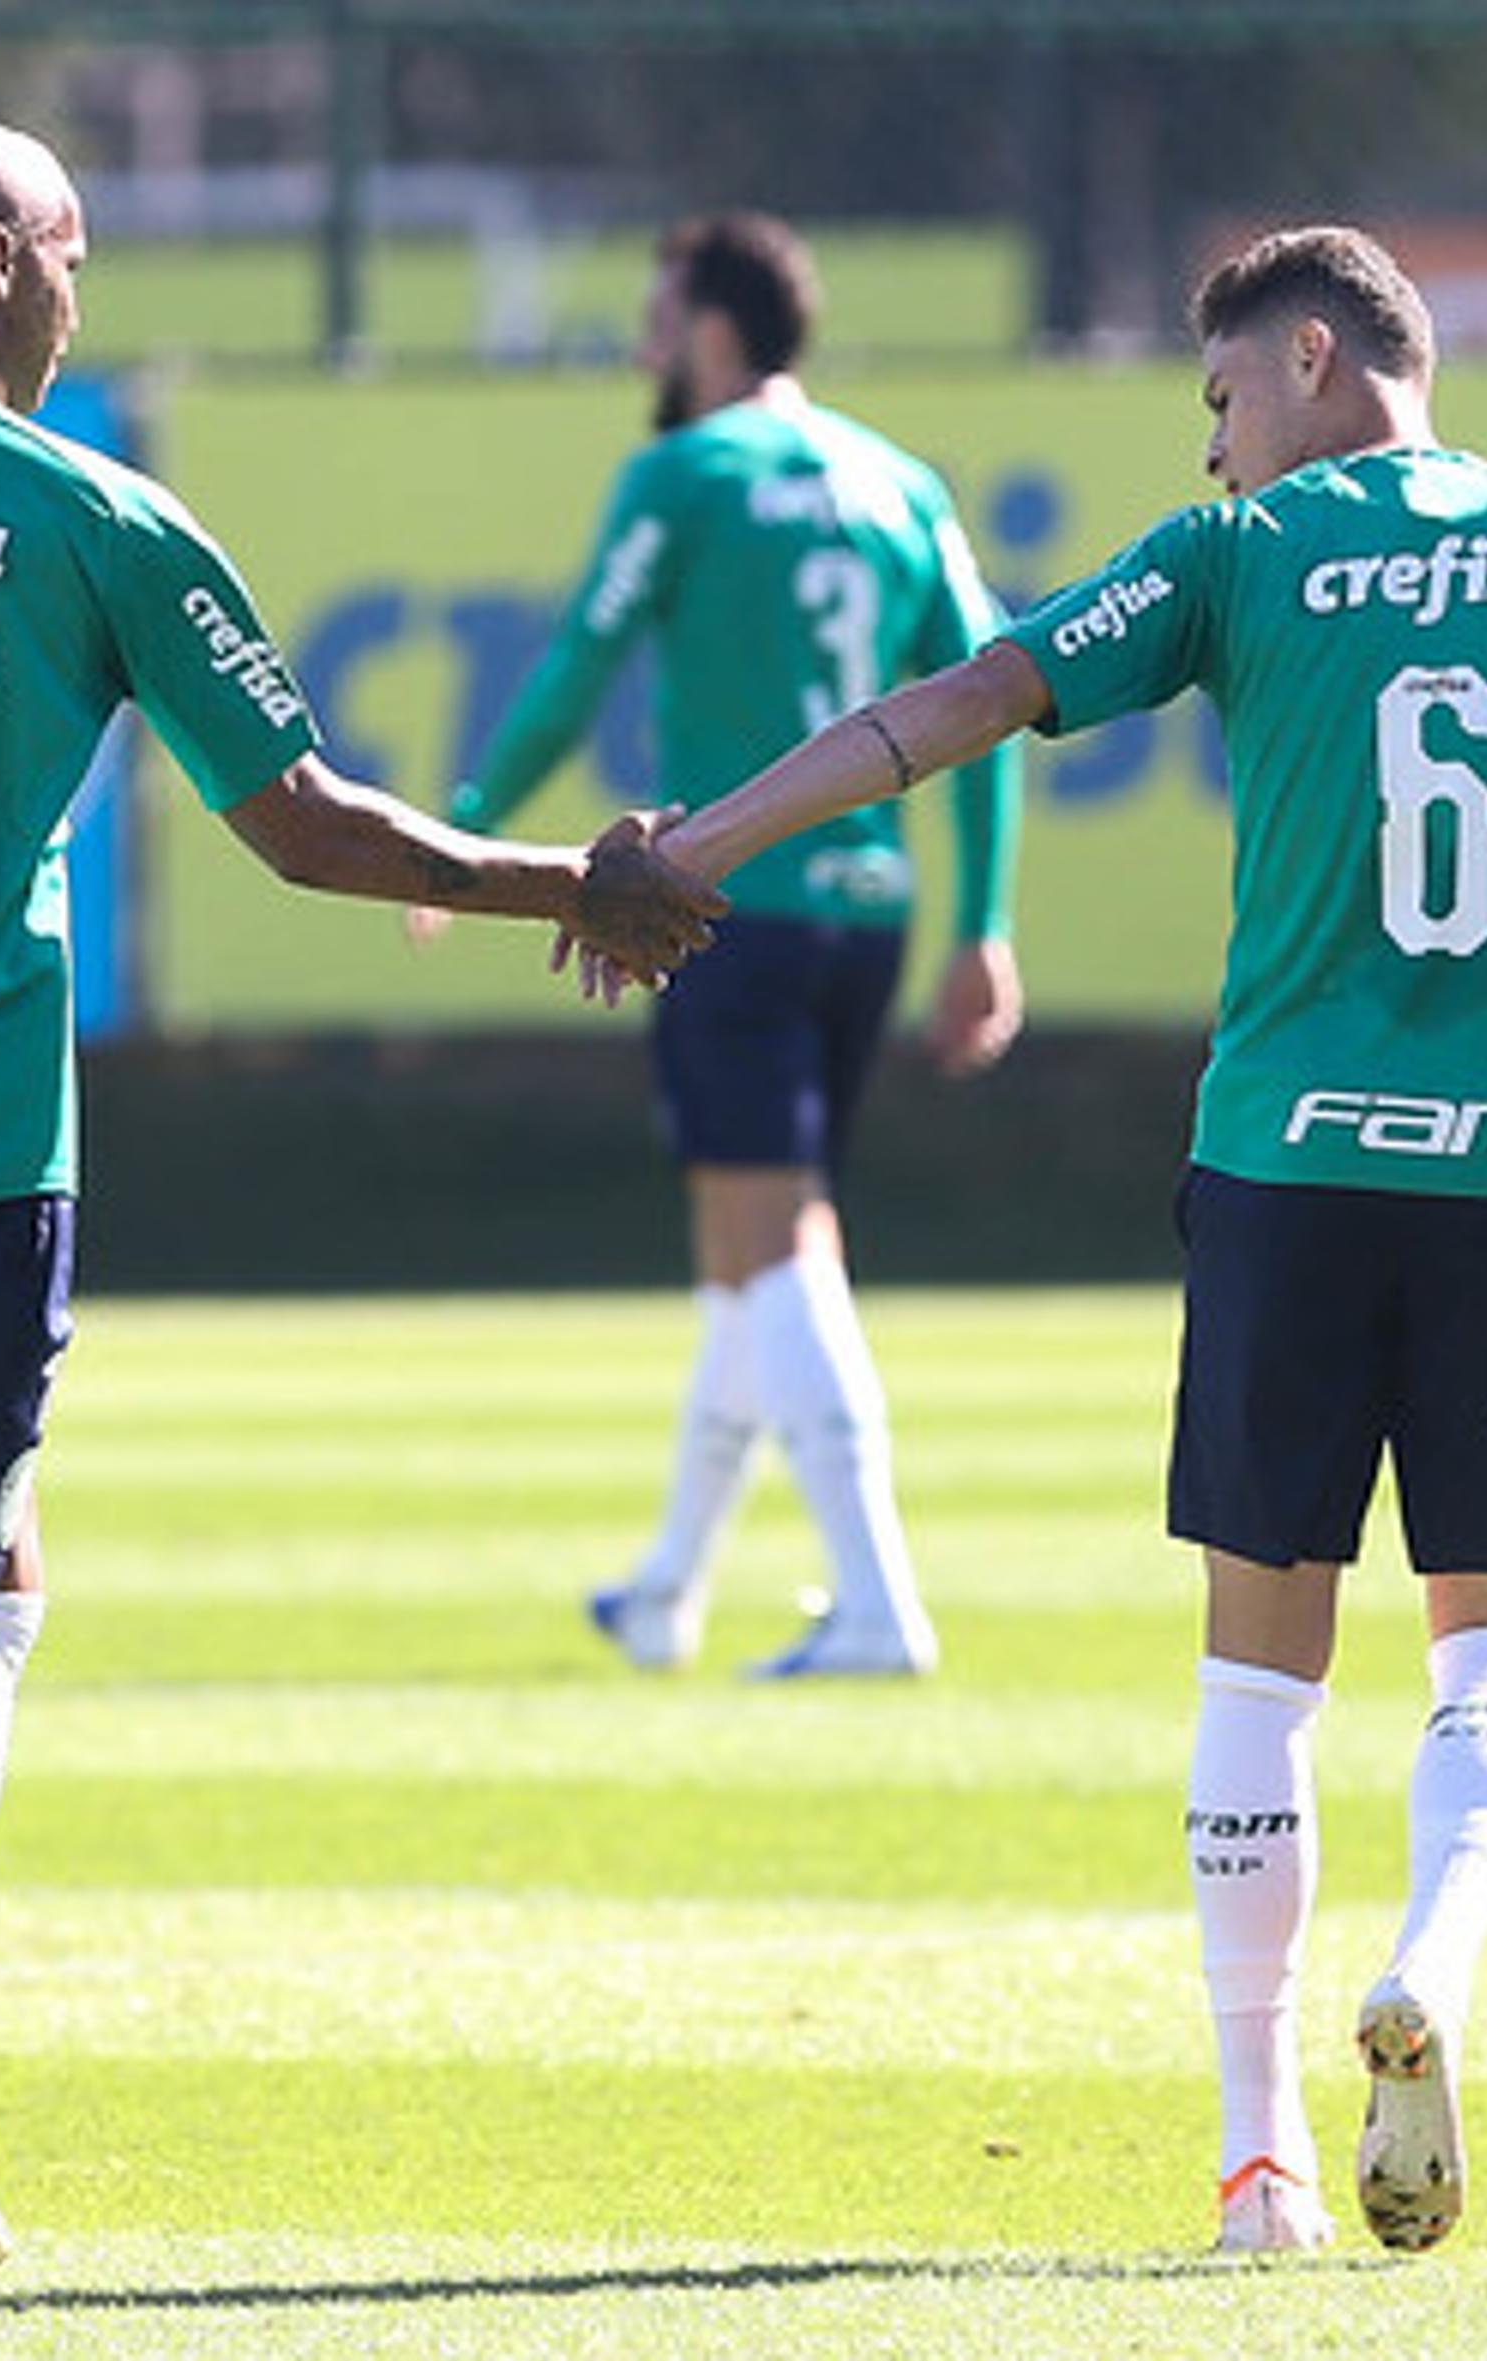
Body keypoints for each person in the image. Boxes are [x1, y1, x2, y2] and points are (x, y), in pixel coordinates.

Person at [0, 109, 719, 2289]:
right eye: (71, 251)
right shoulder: (94, 516)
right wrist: (580, 880)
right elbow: (301, 821)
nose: (84, 291)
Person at [598, 225, 1487, 2257]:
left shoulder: (1241, 559)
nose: (1219, 448)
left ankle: (1260, 2165)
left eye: (1225, 401)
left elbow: (958, 704)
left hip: (1290, 1168)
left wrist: (693, 847)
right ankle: (1433, 1953)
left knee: (1259, 1666)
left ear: (1322, 354)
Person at [441, 210, 1022, 1683]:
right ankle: (668, 1590)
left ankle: (879, 1601)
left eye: (654, 316)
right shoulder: (900, 482)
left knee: (779, 1241)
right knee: (736, 1252)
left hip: (727, 904)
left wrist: (459, 829)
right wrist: (989, 923)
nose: (643, 343)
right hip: (868, 914)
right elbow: (994, 692)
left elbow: (576, 666)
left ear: (707, 329)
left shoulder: (686, 475)